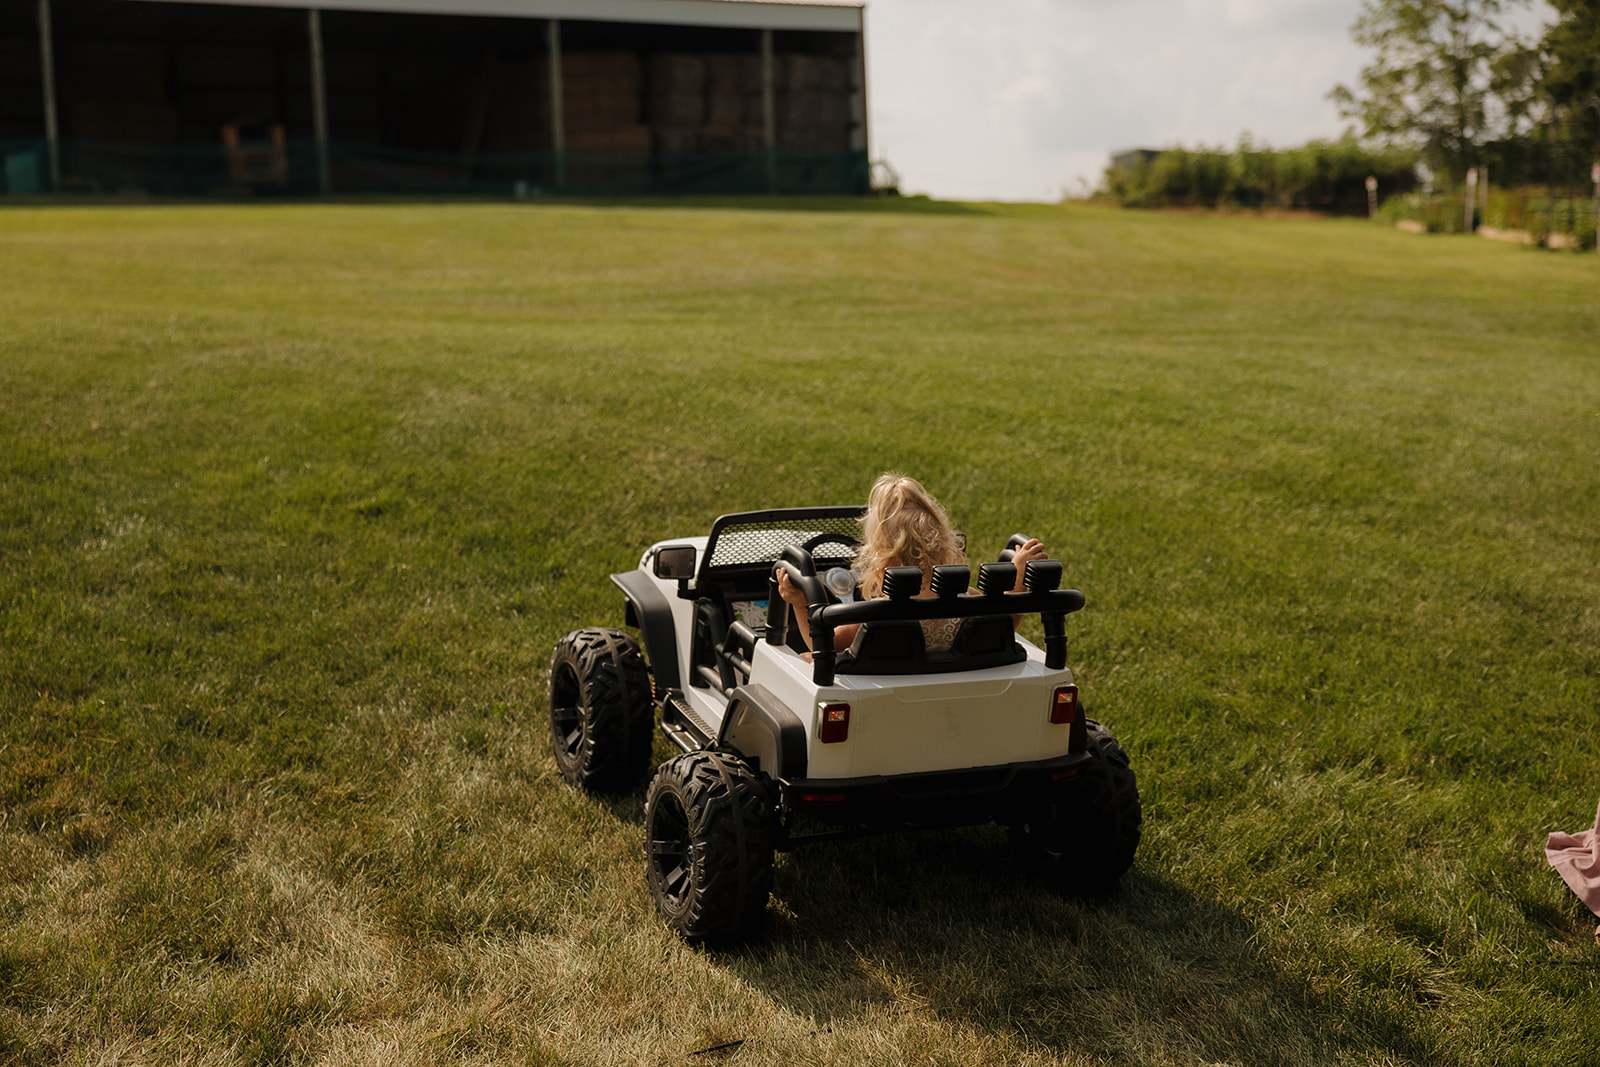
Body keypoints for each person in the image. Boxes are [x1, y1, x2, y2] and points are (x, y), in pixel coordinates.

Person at [777, 472, 1047, 655]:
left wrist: (801, 603)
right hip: (955, 685)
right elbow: (1007, 623)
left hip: (885, 697)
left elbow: (822, 645)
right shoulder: (968, 600)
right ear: (946, 549)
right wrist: (1018, 576)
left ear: (881, 561)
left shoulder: (871, 616)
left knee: (805, 659)